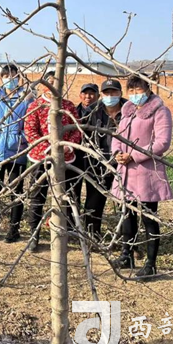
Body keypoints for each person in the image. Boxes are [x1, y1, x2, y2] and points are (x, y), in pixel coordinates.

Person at [111, 74, 172, 278]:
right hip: (126, 172)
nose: (135, 94)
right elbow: (118, 136)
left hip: (147, 172)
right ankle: (126, 254)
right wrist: (117, 153)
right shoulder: (127, 110)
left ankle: (151, 263)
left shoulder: (160, 111)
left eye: (139, 90)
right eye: (131, 90)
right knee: (127, 214)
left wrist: (134, 155)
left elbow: (162, 142)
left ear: (148, 90)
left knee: (149, 217)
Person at [24, 71, 81, 252]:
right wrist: (48, 148)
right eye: (50, 82)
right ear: (44, 85)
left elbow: (77, 129)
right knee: (37, 197)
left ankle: (64, 232)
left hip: (66, 158)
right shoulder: (35, 105)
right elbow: (30, 131)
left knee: (66, 196)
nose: (53, 86)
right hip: (40, 158)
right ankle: (34, 234)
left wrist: (68, 146)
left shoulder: (68, 106)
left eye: (57, 82)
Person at [0, 64, 32, 243]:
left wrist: (19, 138)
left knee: (16, 192)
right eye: (6, 76)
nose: (10, 79)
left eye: (13, 76)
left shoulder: (25, 99)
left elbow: (30, 123)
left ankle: (14, 229)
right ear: (1, 78)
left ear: (19, 78)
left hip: (16, 152)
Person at [73, 83, 112, 236]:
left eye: (92, 93)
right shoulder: (74, 112)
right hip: (75, 159)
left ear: (97, 96)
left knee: (95, 198)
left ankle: (92, 232)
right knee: (72, 195)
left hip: (96, 161)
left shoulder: (104, 113)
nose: (88, 97)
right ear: (80, 95)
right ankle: (71, 228)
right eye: (85, 93)